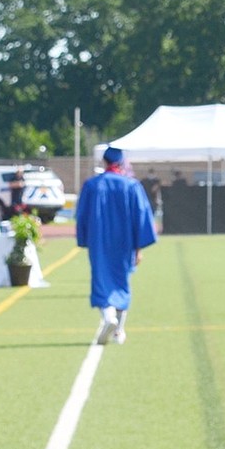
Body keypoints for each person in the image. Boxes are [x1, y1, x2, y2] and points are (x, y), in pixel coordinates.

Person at [75, 146, 157, 345]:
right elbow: (141, 218)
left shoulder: (92, 186)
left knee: (101, 281)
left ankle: (108, 317)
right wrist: (138, 249)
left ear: (103, 162)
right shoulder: (131, 186)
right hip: (124, 243)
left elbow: (82, 216)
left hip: (99, 242)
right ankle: (119, 330)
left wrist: (85, 240)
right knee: (122, 282)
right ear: (121, 163)